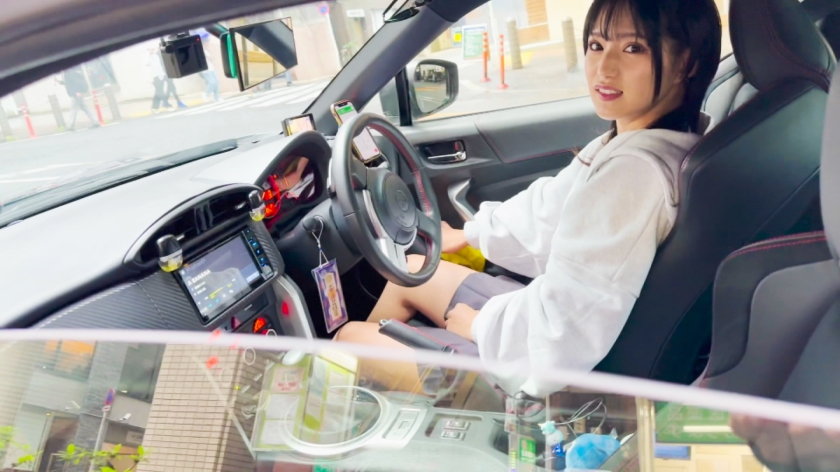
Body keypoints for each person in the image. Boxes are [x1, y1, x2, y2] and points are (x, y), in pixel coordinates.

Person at [334, 0, 722, 395]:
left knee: (348, 340)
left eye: (633, 48)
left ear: (687, 62)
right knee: (412, 270)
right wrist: (470, 234)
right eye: (596, 45)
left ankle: (405, 404)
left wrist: (479, 325)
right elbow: (551, 208)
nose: (604, 68)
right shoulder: (647, 141)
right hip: (549, 330)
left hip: (544, 382)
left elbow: (571, 321)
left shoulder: (633, 172)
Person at [59, 66, 99, 131]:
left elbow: (75, 81)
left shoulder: (69, 71)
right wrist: (61, 82)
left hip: (76, 93)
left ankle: (71, 125)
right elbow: (70, 82)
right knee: (84, 107)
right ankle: (95, 121)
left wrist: (77, 91)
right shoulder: (70, 70)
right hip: (77, 92)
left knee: (73, 109)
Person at [147, 48, 172, 113]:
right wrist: (149, 56)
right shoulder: (147, 57)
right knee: (161, 92)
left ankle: (154, 107)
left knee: (158, 92)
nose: (152, 50)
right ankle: (167, 105)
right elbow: (146, 65)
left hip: (160, 76)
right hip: (154, 77)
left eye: (153, 49)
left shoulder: (156, 56)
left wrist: (163, 75)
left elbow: (159, 67)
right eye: (150, 49)